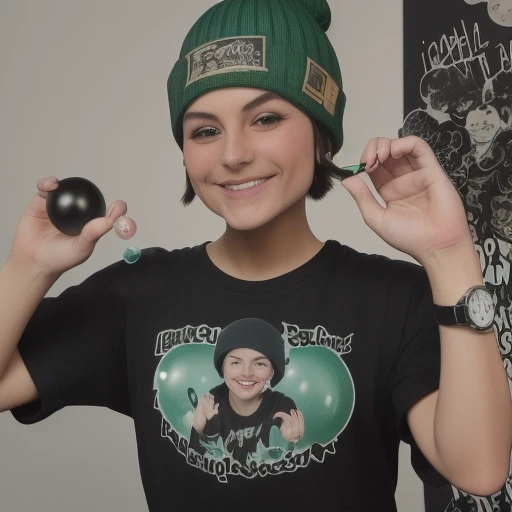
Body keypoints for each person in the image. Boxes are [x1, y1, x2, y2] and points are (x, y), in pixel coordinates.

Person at [0, 0, 511, 511]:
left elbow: (479, 469)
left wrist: (449, 254)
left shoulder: (393, 299)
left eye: (265, 118)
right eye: (205, 130)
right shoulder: (138, 293)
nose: (232, 154)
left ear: (320, 133)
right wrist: (28, 267)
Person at [189, 318, 304, 466]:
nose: (247, 373)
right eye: (235, 362)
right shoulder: (212, 401)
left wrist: (290, 442)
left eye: (260, 364)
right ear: (222, 367)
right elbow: (198, 463)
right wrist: (198, 430)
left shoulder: (281, 406)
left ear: (272, 371)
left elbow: (289, 465)